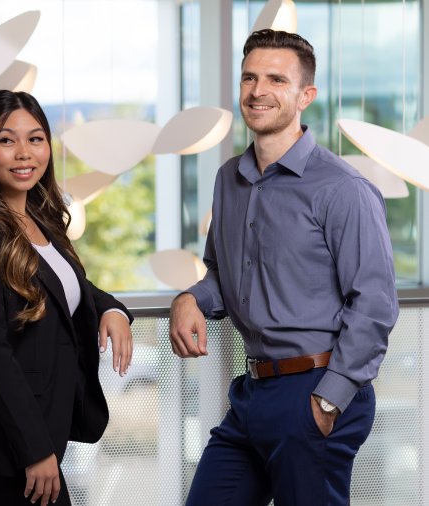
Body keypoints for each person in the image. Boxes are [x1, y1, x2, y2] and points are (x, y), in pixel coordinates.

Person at [169, 29, 399, 505]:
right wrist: (190, 297)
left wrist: (329, 398)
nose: (258, 91)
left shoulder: (342, 189)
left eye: (276, 79)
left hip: (315, 391)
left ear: (305, 96)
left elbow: (374, 304)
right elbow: (221, 272)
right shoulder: (228, 179)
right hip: (252, 393)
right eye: (249, 78)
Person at [0, 89, 134, 506]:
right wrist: (34, 449)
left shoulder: (40, 218)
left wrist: (112, 308)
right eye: (6, 140)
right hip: (9, 444)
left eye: (36, 138)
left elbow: (70, 287)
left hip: (38, 434)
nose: (24, 153)